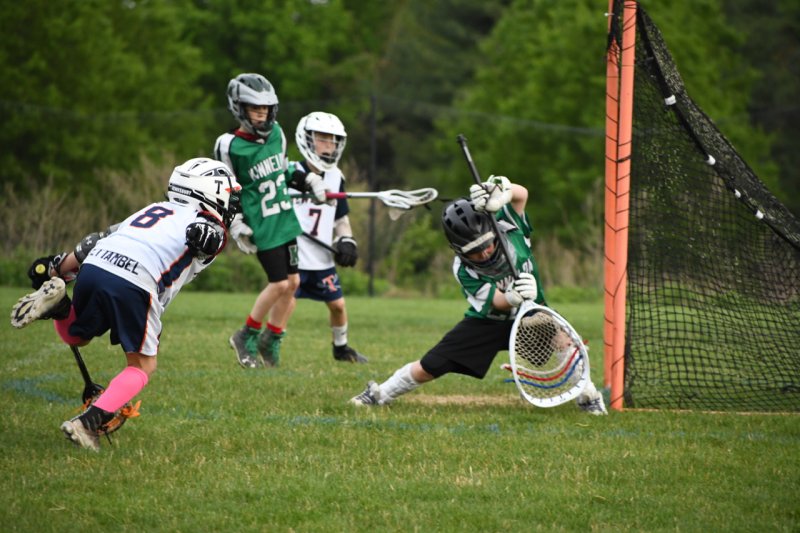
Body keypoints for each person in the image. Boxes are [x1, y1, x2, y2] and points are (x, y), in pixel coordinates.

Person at [10, 158, 242, 451]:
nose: (232, 205)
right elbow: (209, 236)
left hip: (96, 264)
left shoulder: (154, 208)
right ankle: (87, 424)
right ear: (211, 193)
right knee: (143, 365)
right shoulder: (208, 223)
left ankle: (59, 306)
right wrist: (208, 236)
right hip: (136, 279)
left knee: (77, 335)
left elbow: (94, 242)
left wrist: (58, 268)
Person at [349, 176, 607, 415]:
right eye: (474, 250)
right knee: (431, 365)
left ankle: (588, 396)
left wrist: (503, 192)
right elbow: (497, 302)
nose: (483, 253)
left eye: (487, 244)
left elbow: (522, 195)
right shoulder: (463, 269)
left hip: (534, 314)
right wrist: (513, 297)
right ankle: (380, 394)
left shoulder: (510, 226)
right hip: (488, 323)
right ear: (458, 250)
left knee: (564, 339)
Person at [214, 73, 328, 369]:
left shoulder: (277, 133)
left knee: (293, 283)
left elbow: (283, 169)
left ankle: (271, 338)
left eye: (265, 108)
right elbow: (227, 187)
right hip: (262, 224)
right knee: (278, 284)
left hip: (284, 219)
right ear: (239, 108)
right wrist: (235, 222)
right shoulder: (229, 145)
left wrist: (309, 180)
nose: (261, 114)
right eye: (255, 108)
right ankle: (245, 335)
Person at [285, 111, 367, 363]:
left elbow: (341, 219)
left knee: (338, 305)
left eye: (333, 140)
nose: (329, 145)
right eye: (323, 139)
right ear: (307, 139)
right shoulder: (290, 172)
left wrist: (347, 240)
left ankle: (341, 348)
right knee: (287, 302)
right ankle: (269, 343)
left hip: (322, 257)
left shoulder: (335, 177)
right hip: (294, 253)